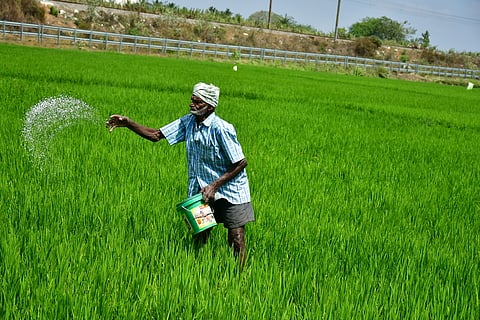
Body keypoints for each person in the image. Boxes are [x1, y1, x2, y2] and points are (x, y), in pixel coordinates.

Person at [106, 82, 254, 269]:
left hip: (231, 190)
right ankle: (195, 268)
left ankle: (240, 276)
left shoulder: (221, 128)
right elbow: (155, 135)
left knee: (236, 236)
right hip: (202, 188)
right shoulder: (188, 122)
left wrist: (214, 186)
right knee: (200, 231)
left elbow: (241, 162)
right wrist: (128, 123)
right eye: (192, 100)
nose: (191, 105)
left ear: (210, 106)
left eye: (197, 102)